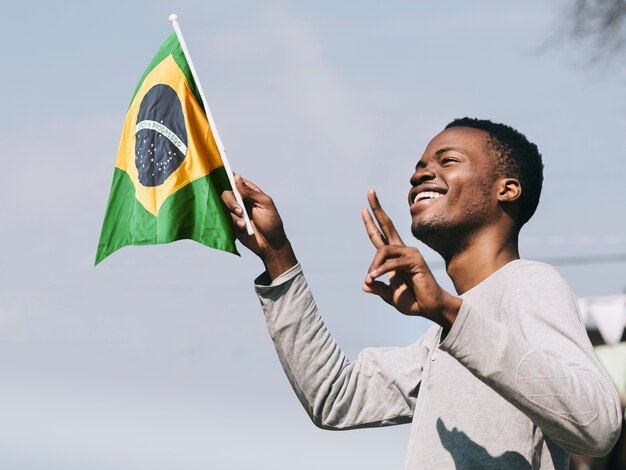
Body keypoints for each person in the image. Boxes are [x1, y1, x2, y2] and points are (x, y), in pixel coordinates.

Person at [221, 118, 622, 469]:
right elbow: (334, 397)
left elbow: (597, 426)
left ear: (508, 189)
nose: (420, 175)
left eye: (447, 161)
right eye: (419, 167)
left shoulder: (528, 283)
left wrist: (449, 313)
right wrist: (277, 254)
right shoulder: (443, 341)